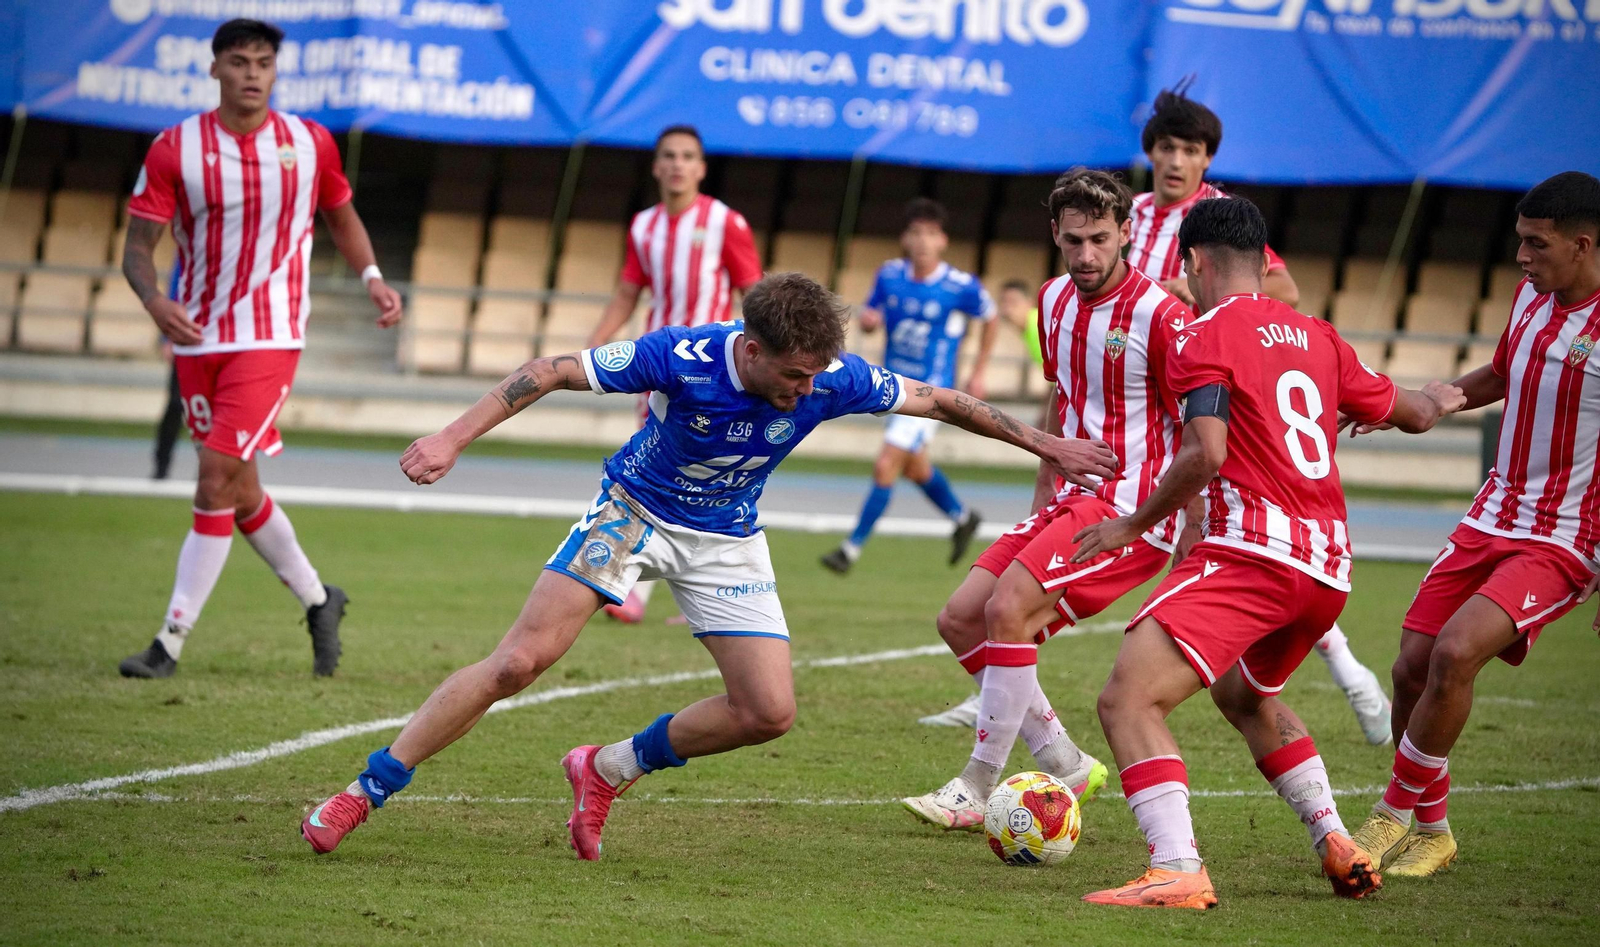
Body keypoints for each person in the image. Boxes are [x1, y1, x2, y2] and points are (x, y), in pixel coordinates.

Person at [298, 272, 1119, 860]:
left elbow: (940, 401)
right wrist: (448, 437)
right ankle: (363, 792)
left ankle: (607, 766)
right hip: (632, 511)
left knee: (768, 710)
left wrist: (1044, 442)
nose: (806, 392)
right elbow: (548, 371)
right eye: (792, 376)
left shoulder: (828, 375)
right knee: (518, 660)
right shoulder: (680, 355)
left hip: (726, 534)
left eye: (816, 376)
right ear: (752, 350)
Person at [1072, 197, 1464, 909]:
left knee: (1128, 697)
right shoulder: (1319, 337)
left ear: (1193, 262)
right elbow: (1410, 412)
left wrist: (1133, 524)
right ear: (1263, 261)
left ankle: (1177, 866)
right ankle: (1336, 840)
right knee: (1245, 693)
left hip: (1253, 553)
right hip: (1328, 570)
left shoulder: (1201, 335)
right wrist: (1441, 394)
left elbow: (1205, 450)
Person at [901, 170, 1191, 828]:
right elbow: (1062, 400)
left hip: (1129, 514)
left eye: (1098, 239)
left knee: (1007, 610)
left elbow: (1200, 431)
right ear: (1054, 235)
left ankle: (975, 788)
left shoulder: (1163, 317)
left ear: (1125, 232)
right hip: (1067, 500)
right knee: (959, 619)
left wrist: (1186, 536)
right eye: (1072, 241)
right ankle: (1064, 760)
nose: (1085, 255)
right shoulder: (1054, 300)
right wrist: (1042, 489)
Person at [116, 19, 402, 678]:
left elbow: (341, 211)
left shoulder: (309, 142)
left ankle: (169, 641)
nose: (252, 73)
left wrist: (373, 279)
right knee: (241, 489)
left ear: (276, 71)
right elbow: (138, 246)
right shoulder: (175, 149)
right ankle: (319, 598)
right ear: (214, 68)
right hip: (198, 337)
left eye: (263, 63)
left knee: (214, 477)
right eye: (239, 61)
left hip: (270, 335)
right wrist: (156, 302)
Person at [1350, 171, 1600, 878]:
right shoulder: (1532, 296)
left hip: (1562, 536)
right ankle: (1434, 830)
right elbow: (1503, 372)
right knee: (1409, 666)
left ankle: (1390, 815)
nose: (1520, 256)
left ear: (1582, 244)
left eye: (1535, 243)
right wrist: (1429, 401)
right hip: (1493, 512)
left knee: (1456, 653)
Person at [1129, 80, 1392, 746]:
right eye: (1166, 146)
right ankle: (1002, 673)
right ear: (1151, 152)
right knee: (1236, 544)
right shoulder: (1131, 215)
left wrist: (1169, 294)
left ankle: (1348, 668)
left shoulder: (1220, 219)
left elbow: (1282, 289)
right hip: (1156, 399)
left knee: (1250, 541)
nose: (1176, 160)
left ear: (1207, 160)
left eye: (1190, 149)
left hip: (1219, 400)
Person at [587, 124, 763, 623]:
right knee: (647, 463)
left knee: (719, 472)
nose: (678, 164)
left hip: (714, 370)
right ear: (656, 166)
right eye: (669, 155)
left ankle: (708, 582)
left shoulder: (727, 223)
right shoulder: (643, 226)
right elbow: (628, 290)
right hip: (656, 364)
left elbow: (754, 292)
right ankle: (629, 587)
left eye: (688, 156)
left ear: (701, 168)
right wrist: (596, 341)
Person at [821, 198, 996, 574]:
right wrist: (869, 321)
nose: (922, 241)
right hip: (894, 385)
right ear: (904, 238)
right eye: (915, 233)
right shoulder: (889, 275)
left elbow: (990, 316)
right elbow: (872, 314)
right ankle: (962, 517)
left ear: (943, 241)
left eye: (930, 234)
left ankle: (849, 551)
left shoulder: (958, 285)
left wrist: (978, 370)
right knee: (914, 469)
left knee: (887, 463)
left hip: (931, 391)